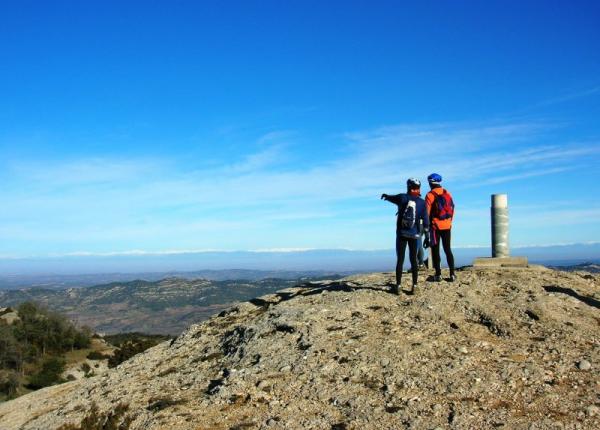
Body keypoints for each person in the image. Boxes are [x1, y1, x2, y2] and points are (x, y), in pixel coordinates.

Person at [381, 178, 430, 295]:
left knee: (400, 260)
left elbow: (391, 198)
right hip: (415, 234)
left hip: (402, 234)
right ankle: (415, 286)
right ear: (418, 188)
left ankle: (398, 286)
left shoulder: (402, 197)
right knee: (414, 260)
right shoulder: (422, 203)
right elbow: (426, 222)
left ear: (408, 186)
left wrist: (386, 196)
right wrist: (427, 236)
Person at [425, 173, 456, 282]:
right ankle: (452, 274)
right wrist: (449, 221)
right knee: (448, 249)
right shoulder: (447, 193)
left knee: (435, 250)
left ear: (430, 183)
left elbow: (426, 214)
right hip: (447, 225)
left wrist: (426, 227)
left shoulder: (430, 195)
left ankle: (438, 274)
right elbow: (452, 208)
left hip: (435, 226)